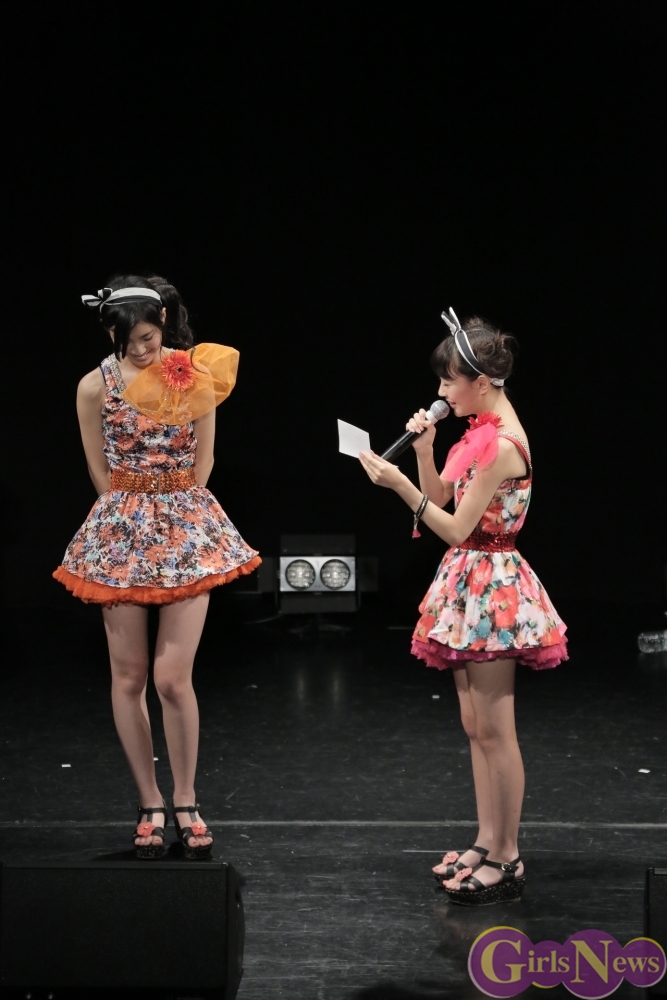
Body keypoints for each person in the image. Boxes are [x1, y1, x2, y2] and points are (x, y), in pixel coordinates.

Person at [359, 308, 567, 905]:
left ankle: (508, 856)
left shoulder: (502, 444)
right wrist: (423, 454)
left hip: (494, 589)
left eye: (449, 381)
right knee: (475, 726)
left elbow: (453, 527)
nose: (442, 391)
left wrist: (398, 486)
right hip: (468, 581)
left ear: (481, 382)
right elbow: (443, 497)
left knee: (497, 729)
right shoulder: (478, 431)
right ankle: (486, 839)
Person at [54, 275, 261, 859]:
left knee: (172, 678)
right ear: (110, 334)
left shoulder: (195, 372)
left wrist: (177, 515)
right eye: (129, 342)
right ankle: (149, 801)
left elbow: (206, 457)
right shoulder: (93, 386)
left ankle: (186, 798)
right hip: (122, 529)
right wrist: (125, 518)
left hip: (185, 526)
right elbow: (97, 468)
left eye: (148, 337)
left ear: (163, 321)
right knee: (128, 677)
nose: (141, 350)